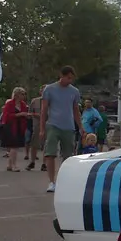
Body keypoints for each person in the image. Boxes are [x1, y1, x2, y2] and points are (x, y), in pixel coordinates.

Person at [40, 65, 83, 193]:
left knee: (68, 156)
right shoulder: (49, 89)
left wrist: (81, 126)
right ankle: (51, 182)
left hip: (68, 126)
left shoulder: (74, 91)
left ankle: (64, 181)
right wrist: (42, 129)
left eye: (71, 79)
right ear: (61, 76)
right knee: (50, 153)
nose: (70, 81)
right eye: (68, 78)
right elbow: (44, 110)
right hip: (53, 124)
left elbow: (76, 110)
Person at [1, 88, 29, 171]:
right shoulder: (9, 104)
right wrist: (19, 114)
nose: (23, 96)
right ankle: (14, 165)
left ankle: (9, 165)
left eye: (24, 94)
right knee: (14, 146)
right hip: (11, 127)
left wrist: (26, 115)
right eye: (22, 94)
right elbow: (6, 116)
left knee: (15, 147)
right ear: (17, 95)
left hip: (20, 127)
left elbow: (24, 114)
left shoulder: (23, 104)